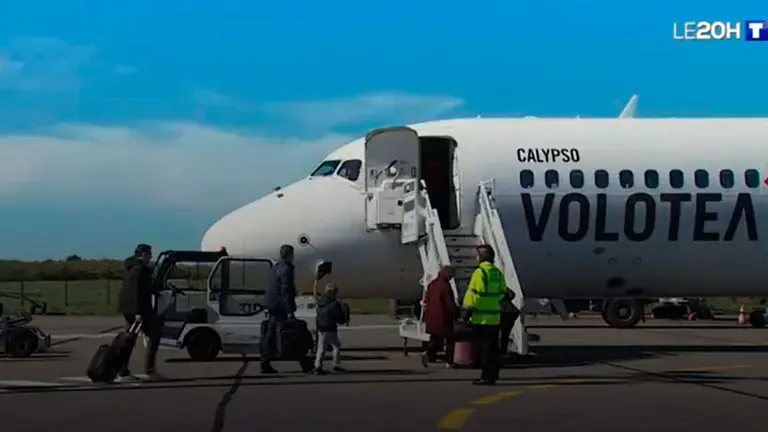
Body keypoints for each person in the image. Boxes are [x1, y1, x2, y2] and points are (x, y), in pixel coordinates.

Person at [260, 244, 312, 373]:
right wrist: (289, 311)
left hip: (272, 303)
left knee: (271, 332)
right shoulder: (286, 269)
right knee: (295, 332)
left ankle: (265, 360)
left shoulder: (275, 266)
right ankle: (303, 360)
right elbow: (286, 290)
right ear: (290, 255)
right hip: (280, 305)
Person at [117, 243, 163, 381]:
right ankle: (148, 370)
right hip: (139, 311)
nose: (151, 257)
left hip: (130, 310)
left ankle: (122, 370)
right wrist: (138, 312)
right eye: (149, 254)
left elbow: (141, 288)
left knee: (129, 340)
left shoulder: (131, 269)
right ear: (143, 255)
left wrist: (155, 292)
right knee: (153, 336)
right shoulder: (140, 270)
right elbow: (136, 291)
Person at [460, 244, 504, 385]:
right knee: (493, 349)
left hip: (482, 318)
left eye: (477, 255)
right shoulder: (497, 272)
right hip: (494, 317)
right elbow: (502, 293)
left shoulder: (479, 273)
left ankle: (486, 377)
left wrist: (464, 315)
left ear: (481, 257)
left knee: (483, 349)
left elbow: (473, 295)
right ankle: (493, 374)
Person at [421, 266, 458, 368]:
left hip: (432, 318)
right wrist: (457, 313)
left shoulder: (431, 284)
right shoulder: (445, 286)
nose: (452, 278)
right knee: (450, 341)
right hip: (444, 317)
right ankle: (449, 361)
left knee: (435, 340)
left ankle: (428, 354)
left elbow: (427, 300)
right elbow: (449, 303)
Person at [312, 283, 348, 374]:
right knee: (333, 347)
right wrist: (344, 313)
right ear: (332, 292)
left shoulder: (320, 302)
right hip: (330, 328)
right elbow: (339, 318)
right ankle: (322, 366)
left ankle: (320, 365)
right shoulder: (334, 304)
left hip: (322, 327)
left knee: (324, 347)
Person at [498, 289, 520, 356]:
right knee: (504, 334)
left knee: (500, 334)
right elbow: (512, 295)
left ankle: (501, 352)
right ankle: (502, 351)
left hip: (505, 312)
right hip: (510, 312)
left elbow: (512, 295)